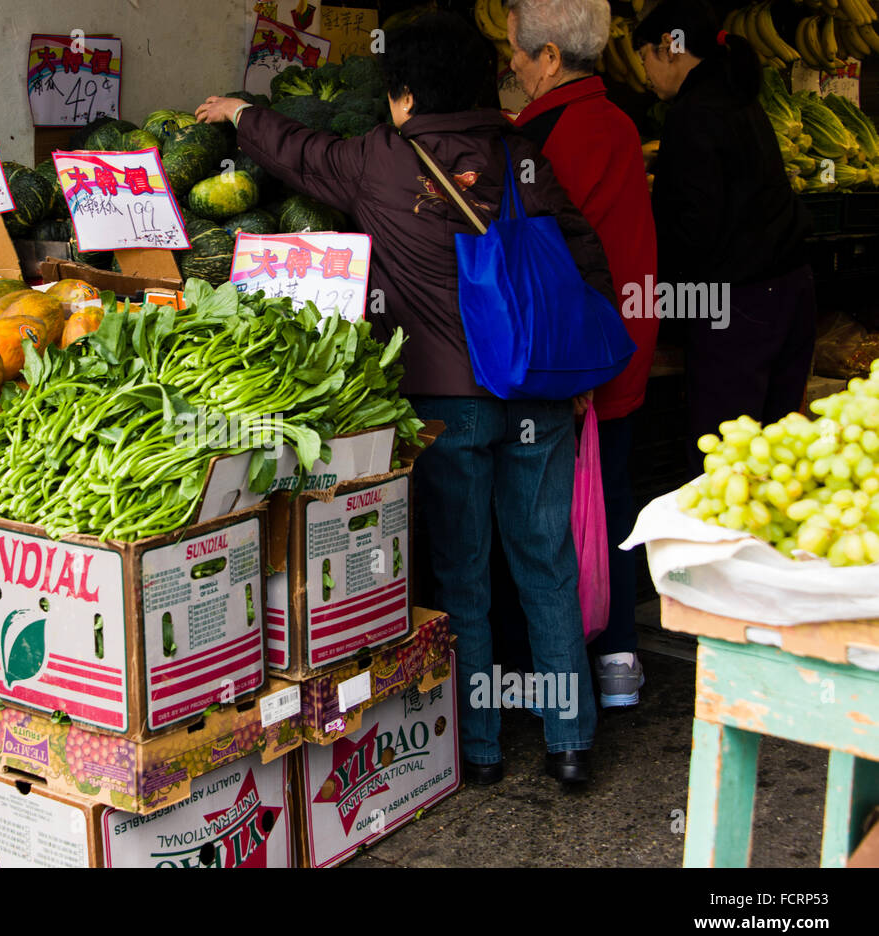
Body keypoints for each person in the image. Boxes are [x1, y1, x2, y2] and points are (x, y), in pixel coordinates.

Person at [195, 10, 611, 786]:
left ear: (404, 97)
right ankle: (570, 743)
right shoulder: (524, 155)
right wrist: (577, 375)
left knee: (463, 576)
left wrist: (240, 113)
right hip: (538, 396)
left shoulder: (383, 160)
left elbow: (300, 153)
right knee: (547, 565)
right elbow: (584, 262)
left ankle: (480, 748)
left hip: (445, 405)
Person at [501, 0, 659, 708]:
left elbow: (550, 259)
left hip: (577, 356)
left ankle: (559, 686)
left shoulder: (545, 135)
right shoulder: (622, 122)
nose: (511, 63)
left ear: (552, 57)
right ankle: (620, 663)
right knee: (614, 498)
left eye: (518, 52)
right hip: (626, 340)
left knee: (553, 517)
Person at [632, 0, 814, 476]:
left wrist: (659, 301)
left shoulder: (693, 114)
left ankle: (725, 548)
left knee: (726, 460)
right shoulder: (737, 96)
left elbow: (694, 230)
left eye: (646, 58)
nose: (646, 74)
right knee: (776, 457)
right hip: (789, 292)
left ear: (669, 47)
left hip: (739, 305)